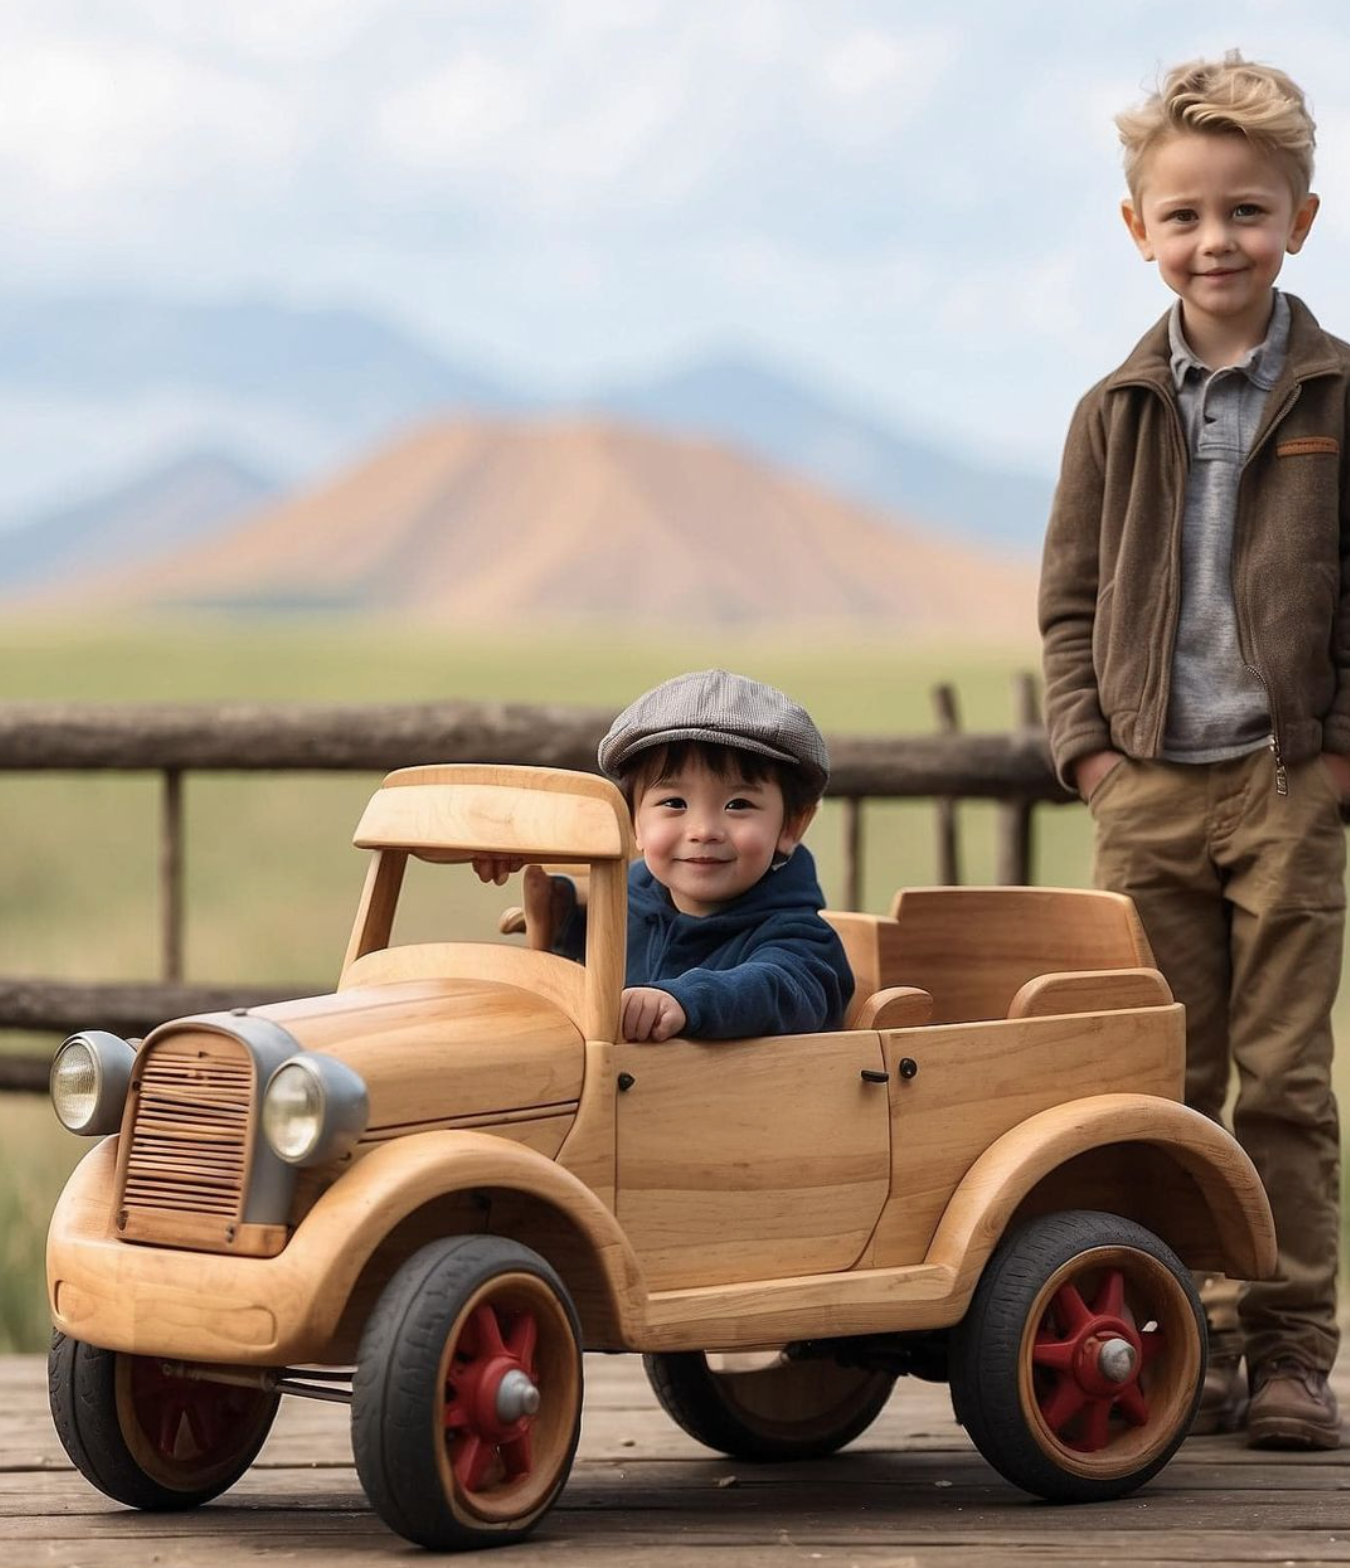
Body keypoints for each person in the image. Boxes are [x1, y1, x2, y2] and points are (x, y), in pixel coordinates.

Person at [1039, 50, 1350, 1451]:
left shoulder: (1338, 402)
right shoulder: (1113, 411)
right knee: (1158, 1083)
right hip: (1148, 788)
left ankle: (1286, 1351)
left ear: (1300, 218)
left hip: (1286, 788)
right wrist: (1096, 761)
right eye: (1182, 216)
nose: (1211, 241)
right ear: (1136, 231)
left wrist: (1335, 765)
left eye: (1243, 211)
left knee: (1282, 1079)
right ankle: (1175, 1338)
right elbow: (1066, 601)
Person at [475, 668, 853, 1043]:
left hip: (747, 1099)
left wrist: (685, 1000)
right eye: (674, 802)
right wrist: (557, 903)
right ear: (634, 822)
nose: (703, 830)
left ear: (791, 827)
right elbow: (610, 939)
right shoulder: (633, 898)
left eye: (738, 804)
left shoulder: (802, 940)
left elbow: (776, 990)